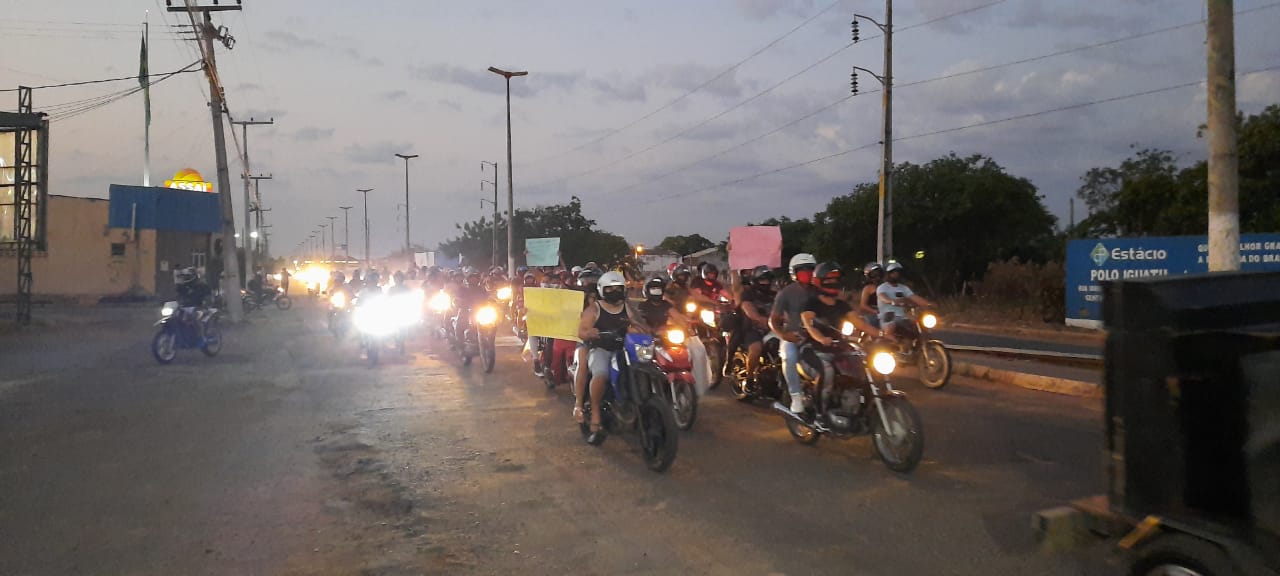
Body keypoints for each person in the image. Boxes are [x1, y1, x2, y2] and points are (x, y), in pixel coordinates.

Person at [798, 263, 883, 415]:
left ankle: (860, 409)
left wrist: (883, 335)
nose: (832, 283)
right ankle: (820, 413)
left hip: (838, 348)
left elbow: (861, 323)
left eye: (835, 280)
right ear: (819, 282)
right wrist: (821, 338)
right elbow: (810, 325)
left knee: (864, 366)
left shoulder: (841, 305)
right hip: (813, 350)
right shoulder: (811, 303)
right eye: (828, 280)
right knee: (827, 372)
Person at [574, 271, 644, 442]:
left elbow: (639, 324)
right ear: (602, 290)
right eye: (610, 288)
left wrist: (639, 329)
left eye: (617, 288)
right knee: (601, 374)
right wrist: (590, 333)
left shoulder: (627, 307)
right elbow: (581, 331)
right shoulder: (595, 308)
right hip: (601, 349)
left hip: (626, 351)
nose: (614, 291)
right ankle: (596, 411)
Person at [768, 253, 818, 414]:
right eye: (801, 270)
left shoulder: (820, 291)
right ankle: (795, 395)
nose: (806, 273)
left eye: (809, 269)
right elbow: (773, 320)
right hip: (794, 336)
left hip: (817, 335)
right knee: (790, 356)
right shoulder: (785, 293)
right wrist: (784, 335)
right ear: (794, 272)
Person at [737, 265, 777, 382]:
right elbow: (749, 311)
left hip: (773, 329)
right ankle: (750, 378)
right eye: (762, 279)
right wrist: (760, 319)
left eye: (767, 280)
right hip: (753, 329)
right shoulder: (748, 294)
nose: (765, 282)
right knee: (756, 348)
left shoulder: (775, 295)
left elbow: (783, 310)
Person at [877, 262, 934, 338]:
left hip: (901, 317)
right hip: (888, 316)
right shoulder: (882, 287)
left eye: (897, 273)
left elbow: (914, 297)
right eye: (893, 273)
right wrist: (891, 301)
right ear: (888, 274)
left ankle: (916, 345)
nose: (896, 275)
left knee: (916, 325)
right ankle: (888, 344)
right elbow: (882, 297)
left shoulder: (903, 288)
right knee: (891, 326)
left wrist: (928, 304)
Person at [858, 262, 883, 328]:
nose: (877, 277)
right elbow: (863, 305)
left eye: (878, 274)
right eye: (873, 274)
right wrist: (875, 311)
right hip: (872, 315)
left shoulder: (885, 287)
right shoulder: (867, 288)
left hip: (885, 314)